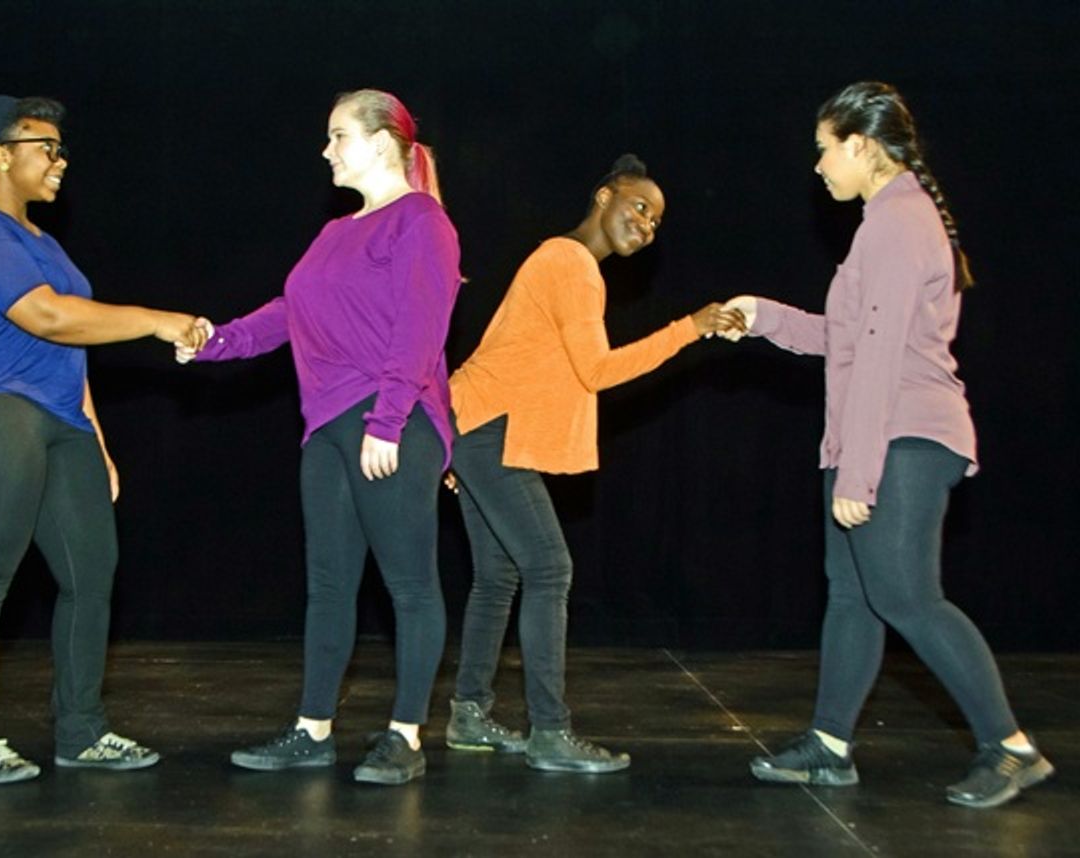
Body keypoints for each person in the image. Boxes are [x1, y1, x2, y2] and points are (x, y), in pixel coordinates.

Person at [721, 81, 1054, 809]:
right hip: (878, 435)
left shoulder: (899, 222)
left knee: (906, 595)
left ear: (862, 145)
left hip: (905, 437)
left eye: (824, 149)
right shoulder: (888, 221)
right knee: (852, 595)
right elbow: (846, 338)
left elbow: (876, 359)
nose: (818, 166)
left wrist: (858, 474)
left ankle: (1010, 746)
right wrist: (763, 316)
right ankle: (830, 744)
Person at [0, 95, 210, 784]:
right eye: (45, 147)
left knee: (91, 574)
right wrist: (157, 320)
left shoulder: (47, 244)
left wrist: (97, 440)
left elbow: (71, 346)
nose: (60, 160)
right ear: (0, 155)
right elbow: (47, 317)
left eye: (61, 149)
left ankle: (82, 730)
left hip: (63, 418)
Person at [180, 89, 460, 786]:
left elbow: (421, 328)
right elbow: (291, 311)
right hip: (327, 425)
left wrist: (387, 420)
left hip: (391, 419)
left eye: (339, 136)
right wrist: (215, 341)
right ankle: (312, 730)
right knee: (329, 585)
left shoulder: (423, 221)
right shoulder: (335, 232)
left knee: (409, 585)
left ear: (382, 142)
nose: (326, 150)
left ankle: (406, 736)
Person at [443, 155, 746, 773]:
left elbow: (503, 352)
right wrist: (688, 328)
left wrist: (454, 432)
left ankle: (469, 713)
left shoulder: (559, 259)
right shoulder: (571, 263)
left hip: (474, 423)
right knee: (550, 569)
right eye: (640, 207)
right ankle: (550, 731)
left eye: (656, 221)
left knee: (499, 577)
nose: (648, 225)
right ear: (605, 196)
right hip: (488, 429)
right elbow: (598, 371)